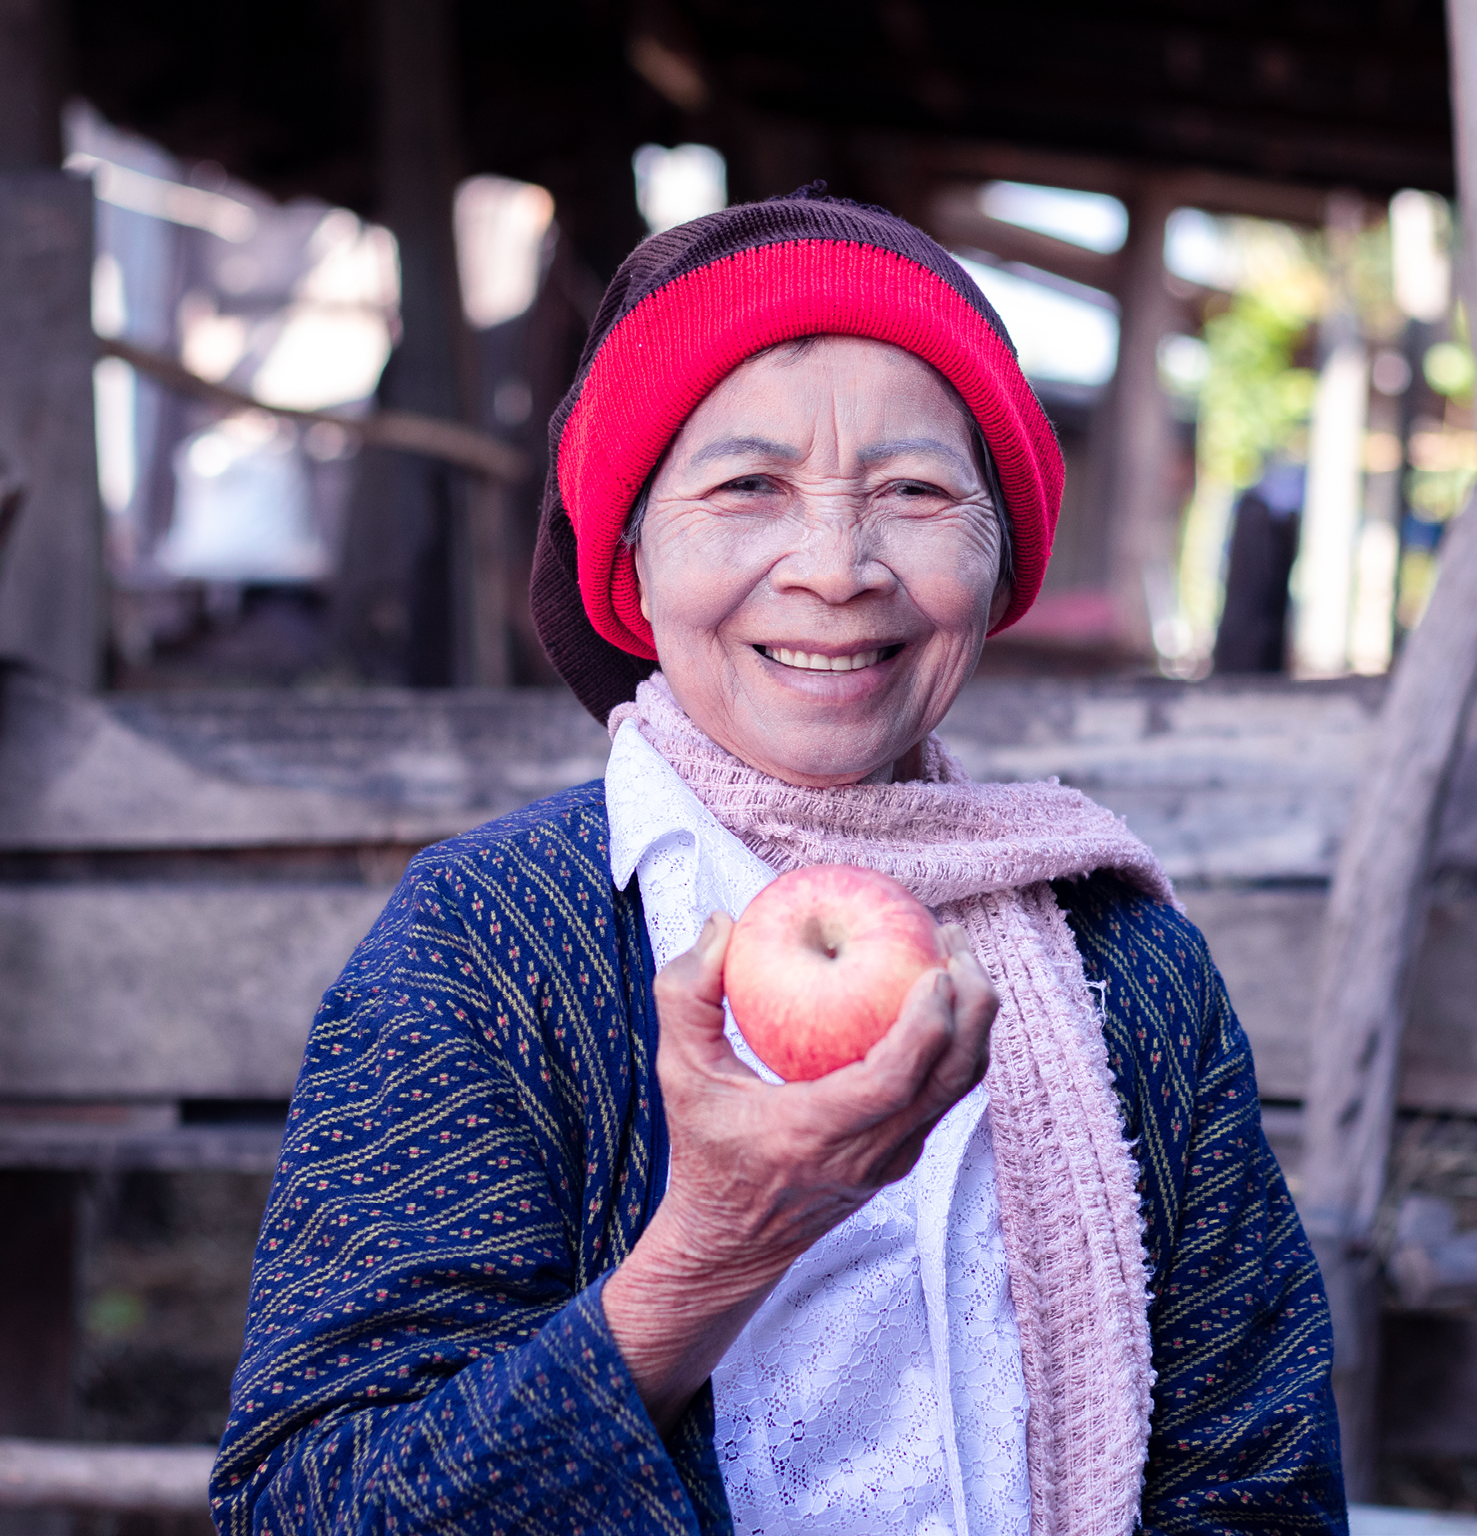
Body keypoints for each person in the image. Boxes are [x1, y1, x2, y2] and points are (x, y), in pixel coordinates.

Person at [211, 188, 1343, 1535]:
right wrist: (709, 1254)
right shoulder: (486, 950)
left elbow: (1263, 1482)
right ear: (632, 554)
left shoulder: (1128, 972)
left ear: (999, 557)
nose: (837, 567)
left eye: (915, 493)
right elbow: (305, 1508)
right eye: (748, 486)